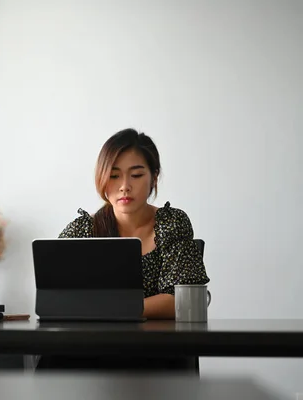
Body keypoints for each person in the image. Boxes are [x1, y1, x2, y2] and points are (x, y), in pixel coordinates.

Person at [35, 128, 210, 372]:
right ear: (102, 178)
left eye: (136, 175)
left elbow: (181, 300)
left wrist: (107, 308)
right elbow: (56, 296)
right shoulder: (83, 229)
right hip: (89, 349)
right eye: (114, 176)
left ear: (154, 177)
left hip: (155, 350)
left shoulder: (172, 223)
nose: (124, 186)